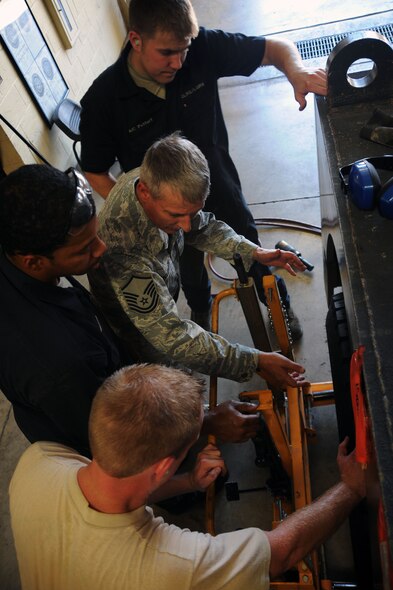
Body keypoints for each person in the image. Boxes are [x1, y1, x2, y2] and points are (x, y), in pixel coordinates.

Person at [79, 0, 327, 338]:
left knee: (248, 247)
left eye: (184, 50)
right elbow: (94, 169)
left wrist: (295, 70)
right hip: (164, 214)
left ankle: (276, 303)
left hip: (219, 186)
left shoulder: (202, 48)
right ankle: (200, 303)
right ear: (135, 40)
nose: (178, 62)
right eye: (167, 52)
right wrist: (147, 207)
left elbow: (275, 49)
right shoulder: (102, 100)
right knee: (188, 267)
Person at [9, 363, 366, 590]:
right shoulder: (175, 568)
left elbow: (115, 485)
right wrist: (351, 486)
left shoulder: (36, 462)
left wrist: (189, 483)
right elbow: (283, 552)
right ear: (164, 466)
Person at [0, 163, 264, 457]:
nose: (102, 249)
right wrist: (208, 423)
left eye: (95, 235)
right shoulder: (59, 364)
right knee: (180, 482)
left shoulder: (16, 247)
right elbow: (113, 437)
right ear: (34, 262)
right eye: (84, 249)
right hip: (100, 445)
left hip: (97, 364)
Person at [88, 132, 307, 388]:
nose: (186, 227)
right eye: (177, 215)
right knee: (172, 388)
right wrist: (253, 362)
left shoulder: (158, 179)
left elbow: (201, 227)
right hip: (139, 329)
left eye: (190, 213)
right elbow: (171, 337)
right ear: (145, 193)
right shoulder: (122, 248)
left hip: (160, 293)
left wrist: (252, 251)